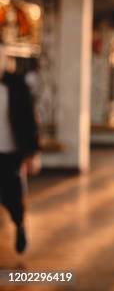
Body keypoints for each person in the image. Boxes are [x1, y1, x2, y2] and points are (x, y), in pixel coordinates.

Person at [0, 43, 41, 254]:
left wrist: (32, 153)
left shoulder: (17, 85)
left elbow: (29, 121)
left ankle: (19, 225)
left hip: (9, 152)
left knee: (12, 196)